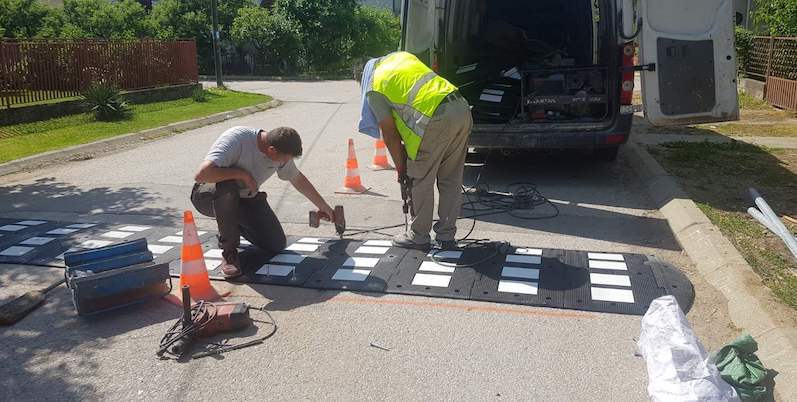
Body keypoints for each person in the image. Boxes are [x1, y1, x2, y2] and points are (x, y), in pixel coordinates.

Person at [356, 51, 473, 250]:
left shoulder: (375, 87)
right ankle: (446, 236)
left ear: (364, 77)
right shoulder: (402, 57)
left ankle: (418, 235)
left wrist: (401, 168)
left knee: (421, 180)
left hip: (436, 119)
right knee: (451, 179)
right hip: (460, 108)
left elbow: (389, 133)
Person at [191, 126, 335, 278]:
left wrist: (323, 205)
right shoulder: (237, 139)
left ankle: (229, 226)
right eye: (285, 159)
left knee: (275, 244)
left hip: (245, 198)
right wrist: (243, 175)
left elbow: (297, 178)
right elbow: (202, 175)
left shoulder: (280, 148)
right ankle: (229, 253)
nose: (286, 162)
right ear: (272, 150)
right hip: (208, 196)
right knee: (228, 187)